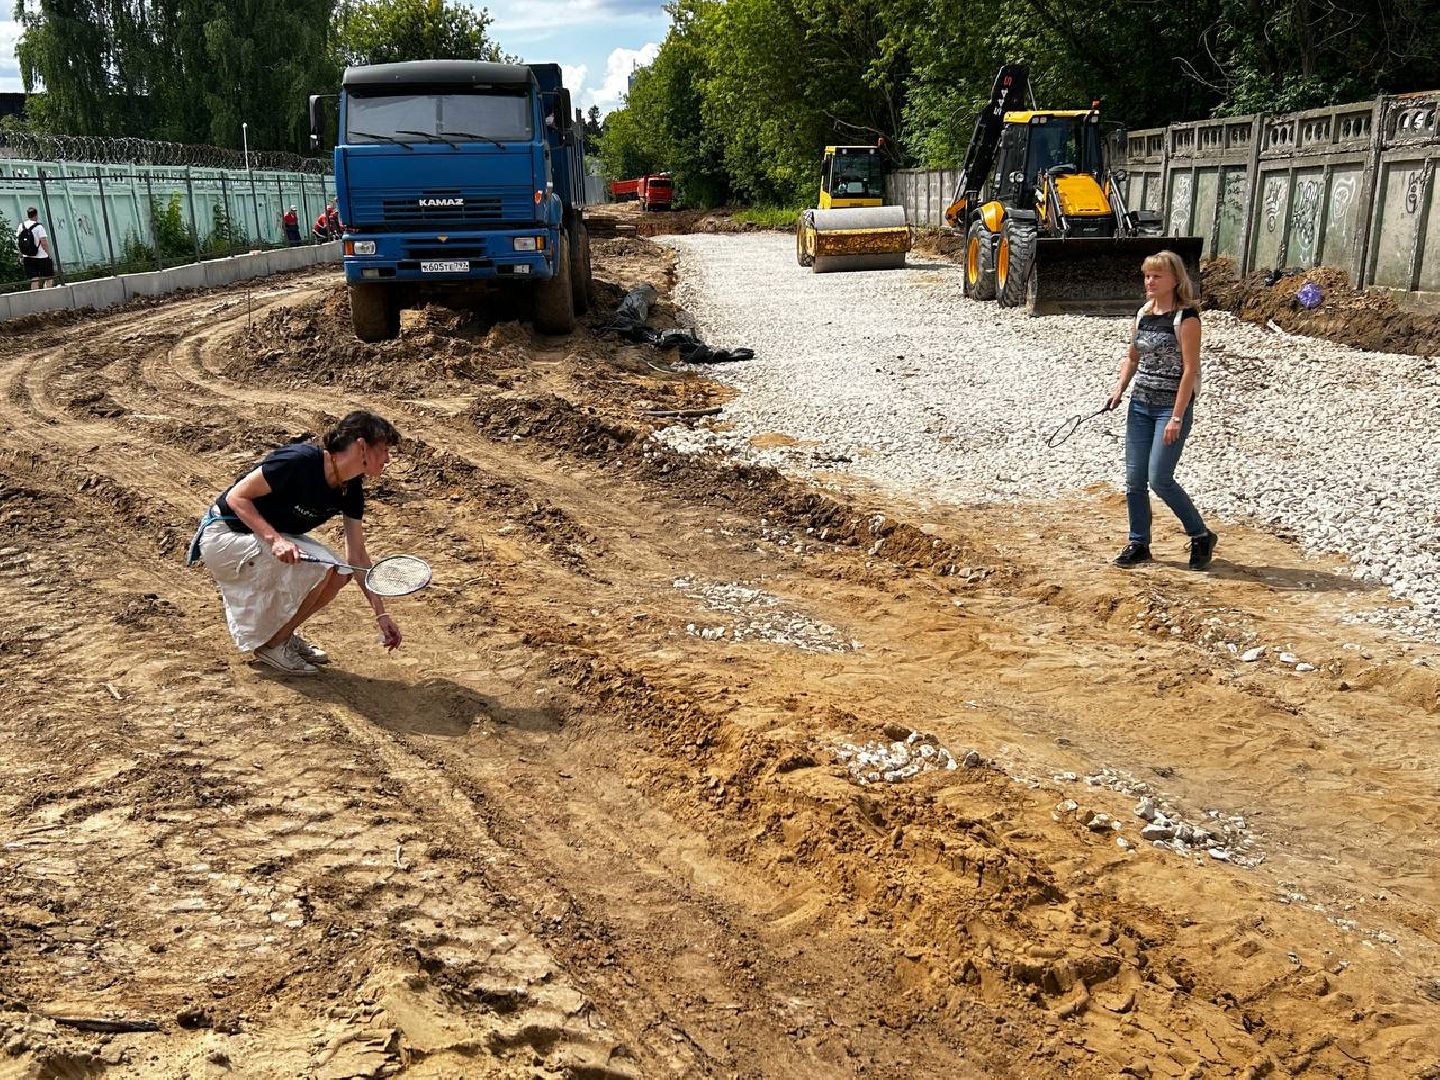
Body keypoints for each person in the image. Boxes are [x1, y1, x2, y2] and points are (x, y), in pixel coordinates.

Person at [188, 410, 403, 675]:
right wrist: (275, 540)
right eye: (383, 449)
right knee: (319, 569)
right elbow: (236, 498)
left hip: (257, 539)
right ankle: (274, 647)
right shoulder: (299, 461)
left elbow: (357, 557)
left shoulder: (350, 488)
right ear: (361, 446)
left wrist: (381, 615)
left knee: (340, 572)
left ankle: (281, 638)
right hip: (225, 536)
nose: (388, 459)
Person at [1106, 250, 1218, 571]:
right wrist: (1119, 390)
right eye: (1146, 276)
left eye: (1156, 276)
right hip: (1140, 405)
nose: (1149, 282)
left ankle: (1200, 535)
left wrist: (1177, 416)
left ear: (1174, 280)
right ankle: (1138, 542)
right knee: (1134, 480)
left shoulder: (1187, 318)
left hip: (1170, 408)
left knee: (1160, 478)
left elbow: (1189, 369)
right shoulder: (1143, 314)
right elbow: (1132, 357)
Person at [15, 207, 55, 289]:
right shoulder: (39, 227)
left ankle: (35, 297)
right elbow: (44, 242)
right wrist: (49, 254)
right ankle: (48, 296)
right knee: (48, 277)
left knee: (34, 279)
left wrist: (21, 255)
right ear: (36, 215)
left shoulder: (21, 226)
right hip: (41, 256)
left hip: (28, 257)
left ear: (28, 215)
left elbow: (19, 242)